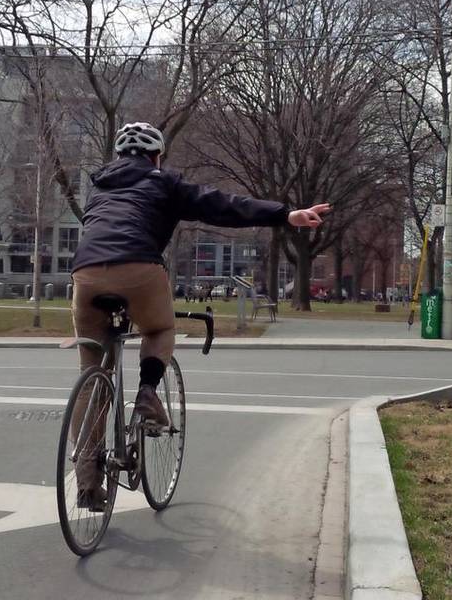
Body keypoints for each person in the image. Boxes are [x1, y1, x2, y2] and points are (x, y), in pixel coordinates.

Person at [70, 121, 331, 510]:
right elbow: (223, 205)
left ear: (118, 156)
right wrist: (285, 215)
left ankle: (87, 482)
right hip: (140, 267)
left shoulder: (97, 188)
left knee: (92, 374)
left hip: (85, 274)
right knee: (159, 329)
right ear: (157, 156)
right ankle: (147, 394)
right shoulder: (163, 182)